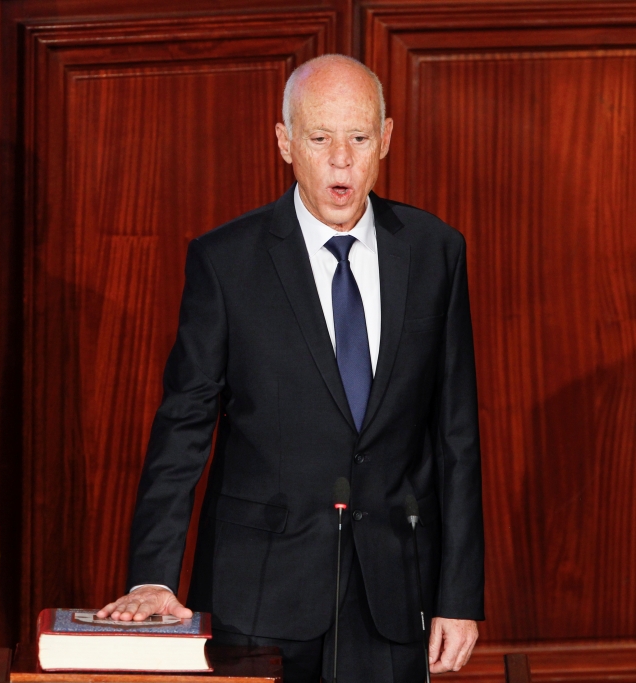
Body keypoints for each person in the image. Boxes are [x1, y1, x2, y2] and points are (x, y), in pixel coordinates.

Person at [95, 54, 485, 683]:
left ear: (385, 139)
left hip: (391, 599)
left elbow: (456, 436)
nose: (340, 159)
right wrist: (153, 576)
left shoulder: (436, 252)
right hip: (258, 595)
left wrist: (458, 596)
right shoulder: (226, 263)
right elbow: (184, 428)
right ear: (284, 143)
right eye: (319, 137)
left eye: (358, 137)